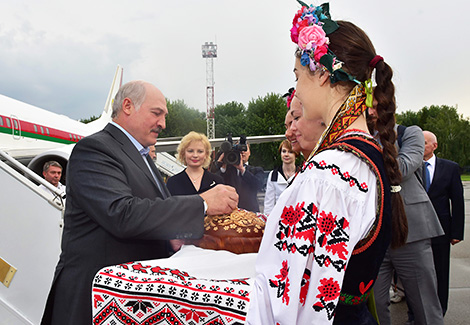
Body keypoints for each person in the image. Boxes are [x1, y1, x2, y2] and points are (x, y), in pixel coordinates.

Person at [91, 4, 407, 324]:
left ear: (322, 73)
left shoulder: (327, 175)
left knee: (117, 287)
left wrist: (143, 294)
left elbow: (279, 306)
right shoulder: (362, 158)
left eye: (297, 76)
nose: (296, 89)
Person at [41, 80, 238, 324]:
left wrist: (171, 235)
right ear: (127, 106)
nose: (163, 124)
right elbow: (121, 214)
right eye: (157, 113)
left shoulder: (140, 155)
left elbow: (149, 212)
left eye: (164, 116)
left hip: (124, 302)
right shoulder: (94, 149)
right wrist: (202, 203)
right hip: (91, 302)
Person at [369, 113, 445, 324]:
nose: (372, 113)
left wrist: (364, 154)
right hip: (373, 236)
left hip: (411, 232)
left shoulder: (410, 133)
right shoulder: (358, 136)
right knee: (372, 308)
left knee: (425, 306)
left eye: (377, 105)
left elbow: (402, 168)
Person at [423, 130, 465, 316]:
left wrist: (457, 232)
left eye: (424, 143)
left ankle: (439, 311)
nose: (420, 146)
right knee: (420, 274)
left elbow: (457, 201)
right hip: (416, 231)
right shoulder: (409, 167)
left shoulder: (450, 168)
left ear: (434, 146)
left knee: (440, 271)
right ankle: (418, 311)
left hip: (441, 230)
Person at [167, 131, 224, 196]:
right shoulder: (173, 183)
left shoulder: (217, 181)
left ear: (206, 154)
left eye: (200, 151)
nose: (195, 155)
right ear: (183, 153)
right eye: (190, 151)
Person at [216, 141, 265, 212]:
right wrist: (222, 167)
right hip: (229, 213)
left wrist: (242, 169)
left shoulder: (256, 170)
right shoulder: (226, 171)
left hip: (251, 213)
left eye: (245, 149)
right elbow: (216, 185)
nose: (242, 152)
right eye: (239, 151)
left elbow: (258, 185)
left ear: (250, 152)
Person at [263, 139, 298, 215]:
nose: (286, 154)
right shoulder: (273, 175)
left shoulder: (301, 174)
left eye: (290, 152)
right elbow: (269, 203)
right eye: (284, 151)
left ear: (296, 154)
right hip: (278, 217)